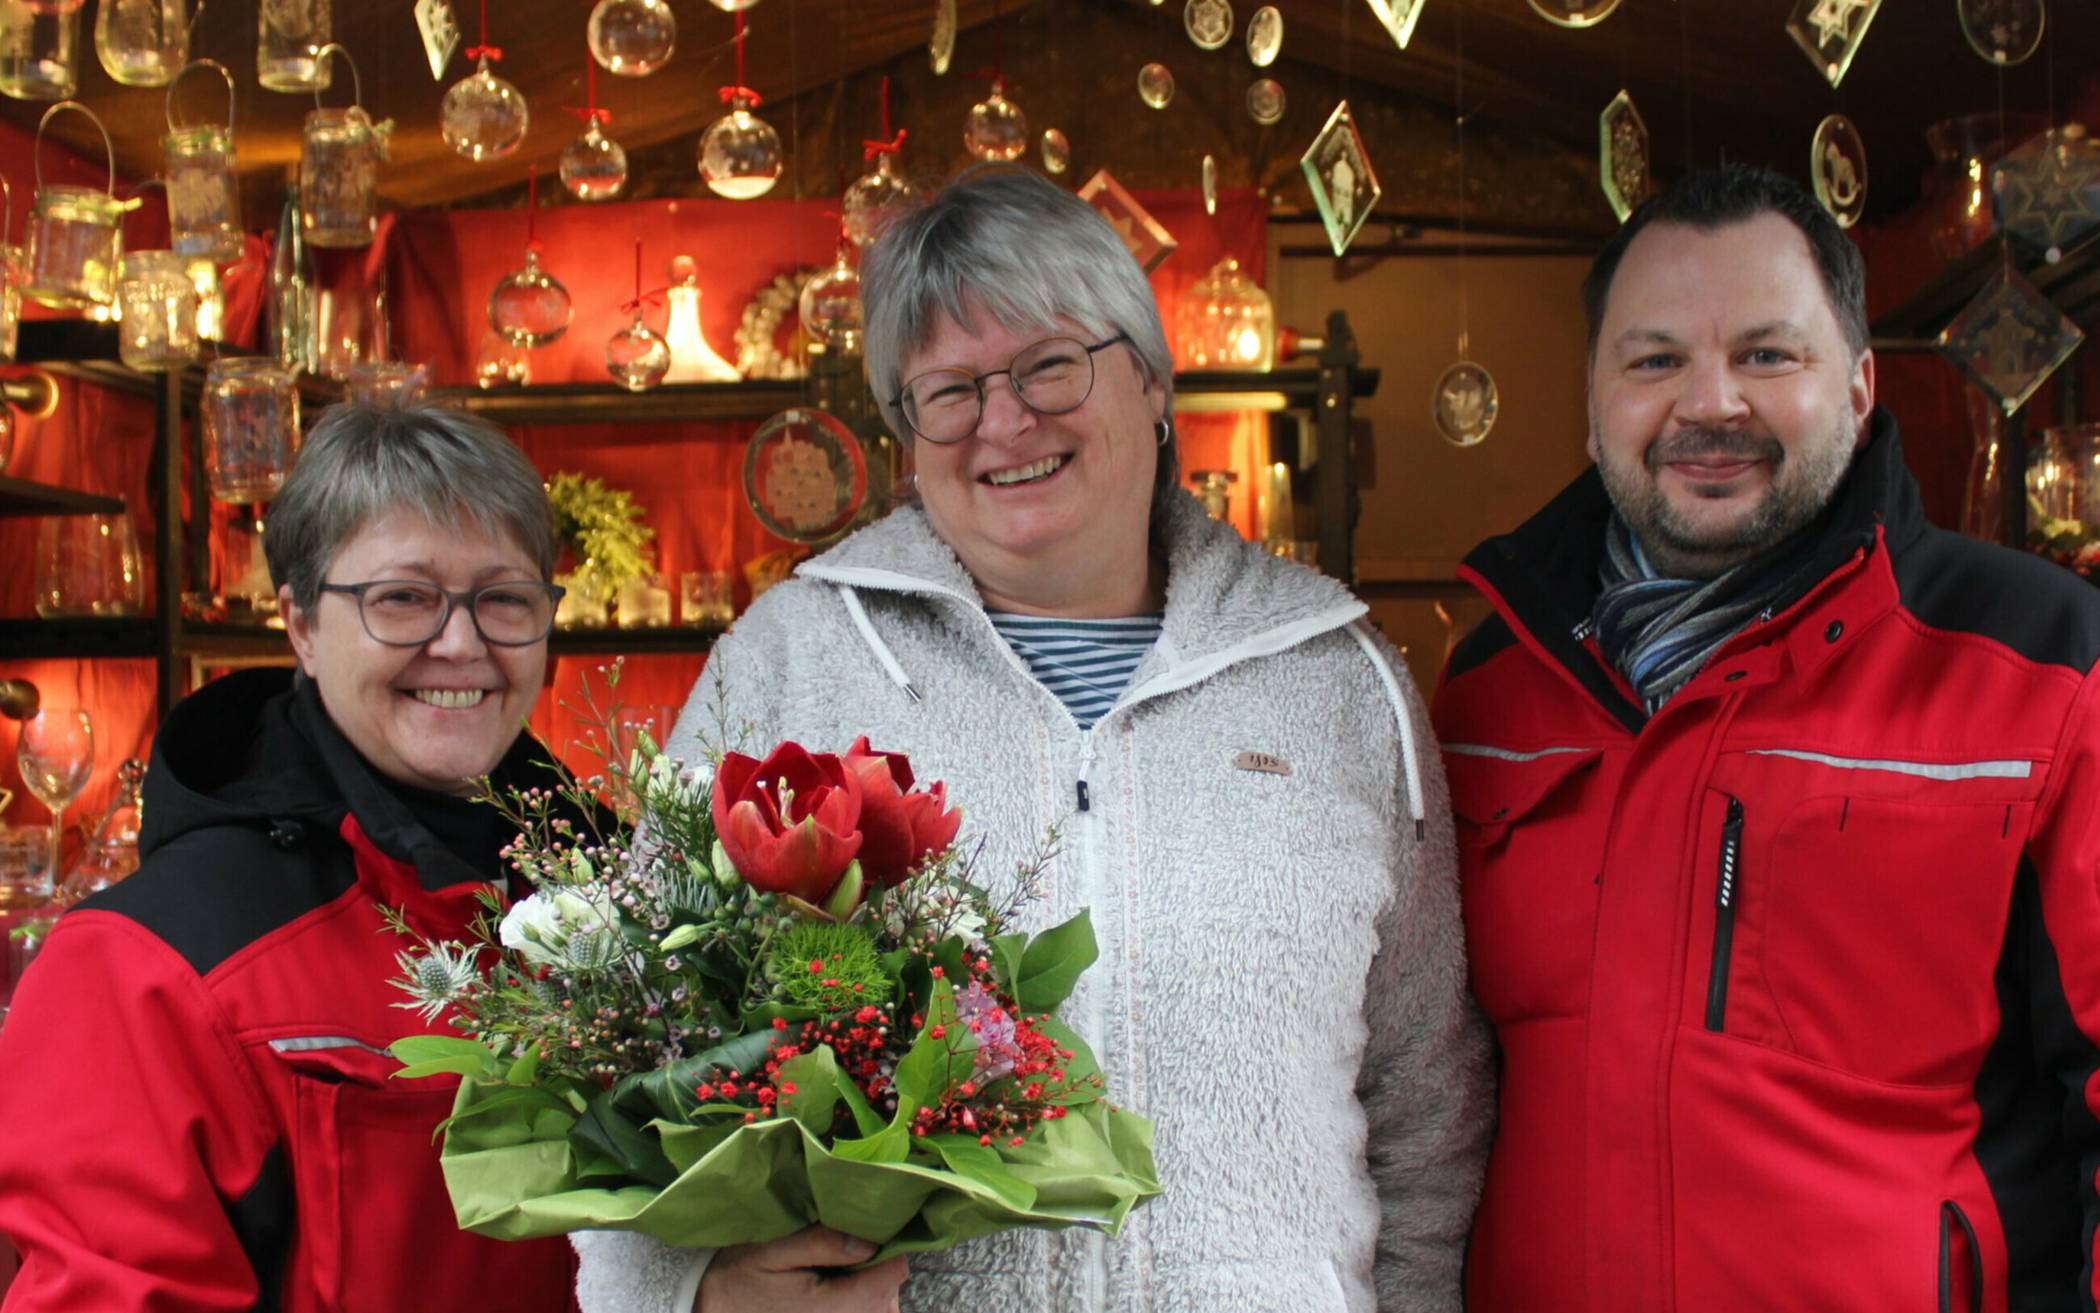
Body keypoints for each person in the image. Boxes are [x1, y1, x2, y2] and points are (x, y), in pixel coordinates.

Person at [570, 165, 1492, 1313]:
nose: (1004, 422)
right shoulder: (791, 661)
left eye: (1052, 365)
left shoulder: (1334, 679)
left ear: (1153, 379)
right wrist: (685, 1292)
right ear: (908, 432)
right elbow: (626, 1043)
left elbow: (1425, 1103)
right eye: (948, 391)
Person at [1433, 163, 2100, 1311]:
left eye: (1766, 354)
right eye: (1655, 361)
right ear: (1594, 409)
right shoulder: (1491, 688)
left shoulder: (2037, 659)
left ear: (1857, 385)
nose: (1710, 404)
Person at [0, 402, 578, 1310]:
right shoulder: (143, 966)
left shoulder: (625, 901)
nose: (460, 642)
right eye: (403, 598)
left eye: (503, 598)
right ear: (300, 624)